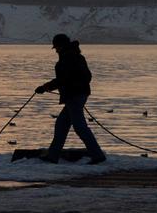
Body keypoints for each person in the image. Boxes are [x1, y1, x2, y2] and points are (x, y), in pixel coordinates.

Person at [35, 33, 106, 164]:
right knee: (61, 124)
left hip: (74, 97)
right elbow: (86, 77)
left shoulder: (68, 59)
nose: (55, 50)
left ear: (61, 46)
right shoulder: (76, 56)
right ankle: (52, 156)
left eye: (56, 47)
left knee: (80, 127)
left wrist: (45, 87)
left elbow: (63, 79)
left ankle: (97, 155)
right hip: (76, 96)